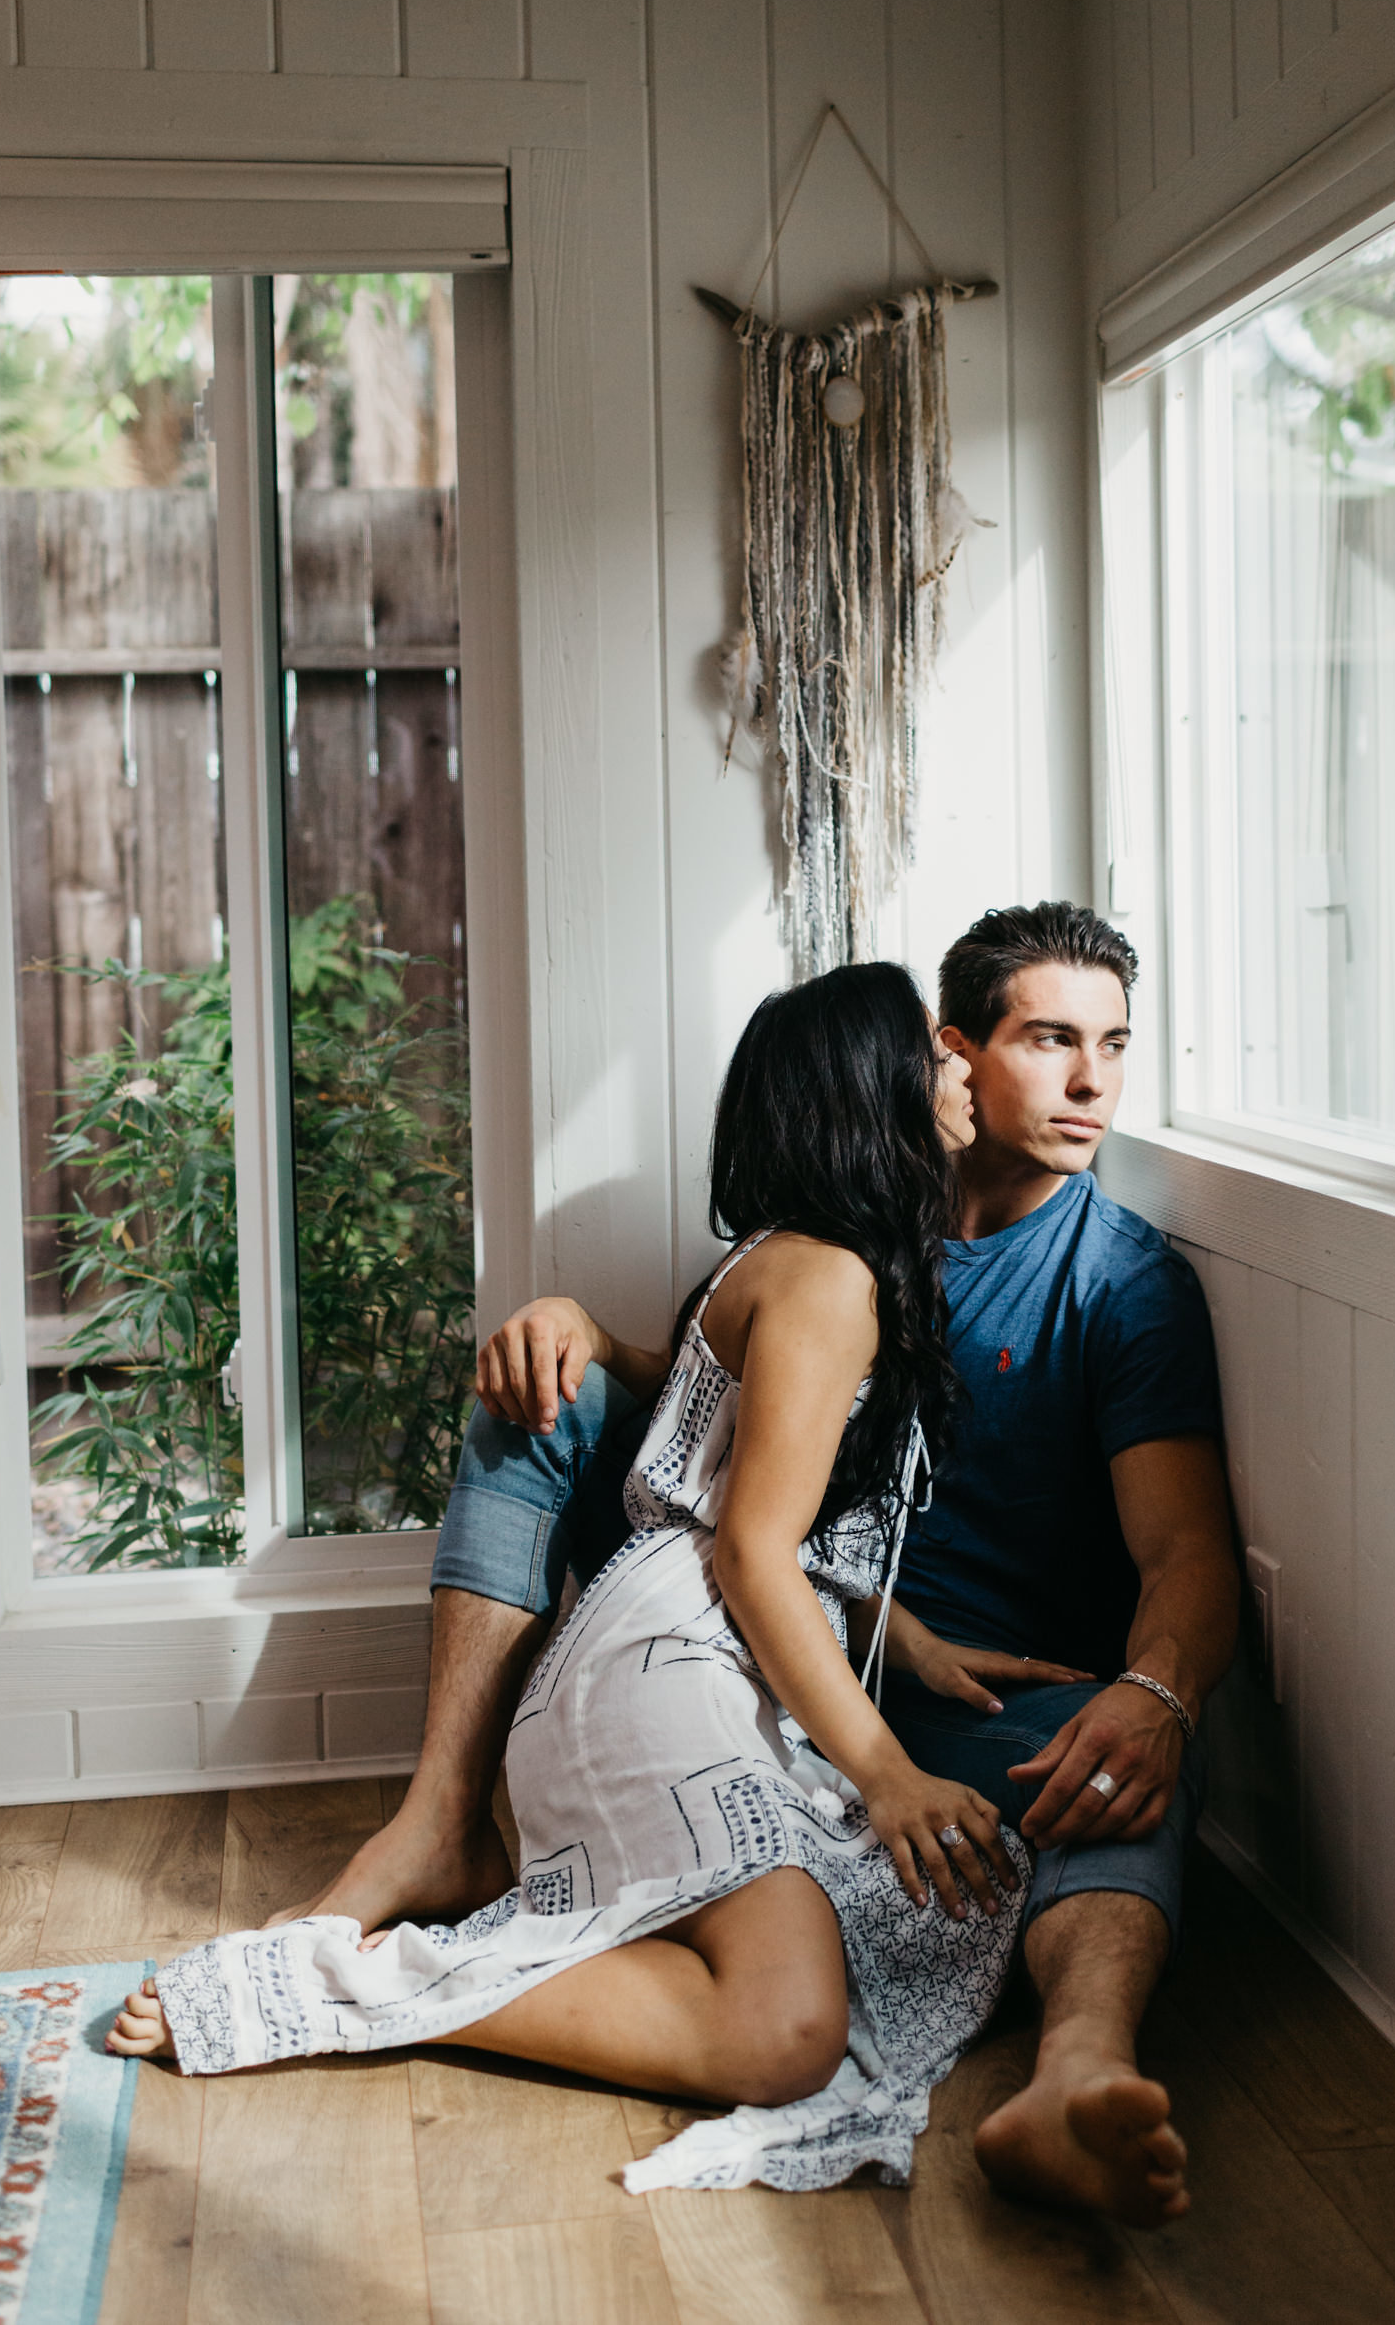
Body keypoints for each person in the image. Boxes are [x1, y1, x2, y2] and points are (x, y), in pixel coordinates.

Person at [270, 901, 1239, 2230]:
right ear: (948, 1056)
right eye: (1049, 1041)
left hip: (947, 1681)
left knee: (1115, 1751)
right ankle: (438, 1823)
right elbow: (749, 1449)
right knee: (534, 1398)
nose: (1092, 1084)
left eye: (1116, 1046)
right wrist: (590, 1339)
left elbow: (1185, 1549)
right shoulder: (858, 1231)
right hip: (753, 1631)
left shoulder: (1120, 1281)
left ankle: (1075, 2075)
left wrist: (1161, 1691)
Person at [108, 964, 1050, 2195]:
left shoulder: (795, 1261)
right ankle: (335, 1978)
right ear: (868, 1087)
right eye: (932, 1052)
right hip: (672, 1665)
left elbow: (749, 1474)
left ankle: (410, 1951)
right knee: (788, 2034)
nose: (959, 1069)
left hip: (657, 1658)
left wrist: (900, 1637)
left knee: (818, 2001)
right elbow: (752, 1552)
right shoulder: (829, 1279)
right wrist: (886, 1773)